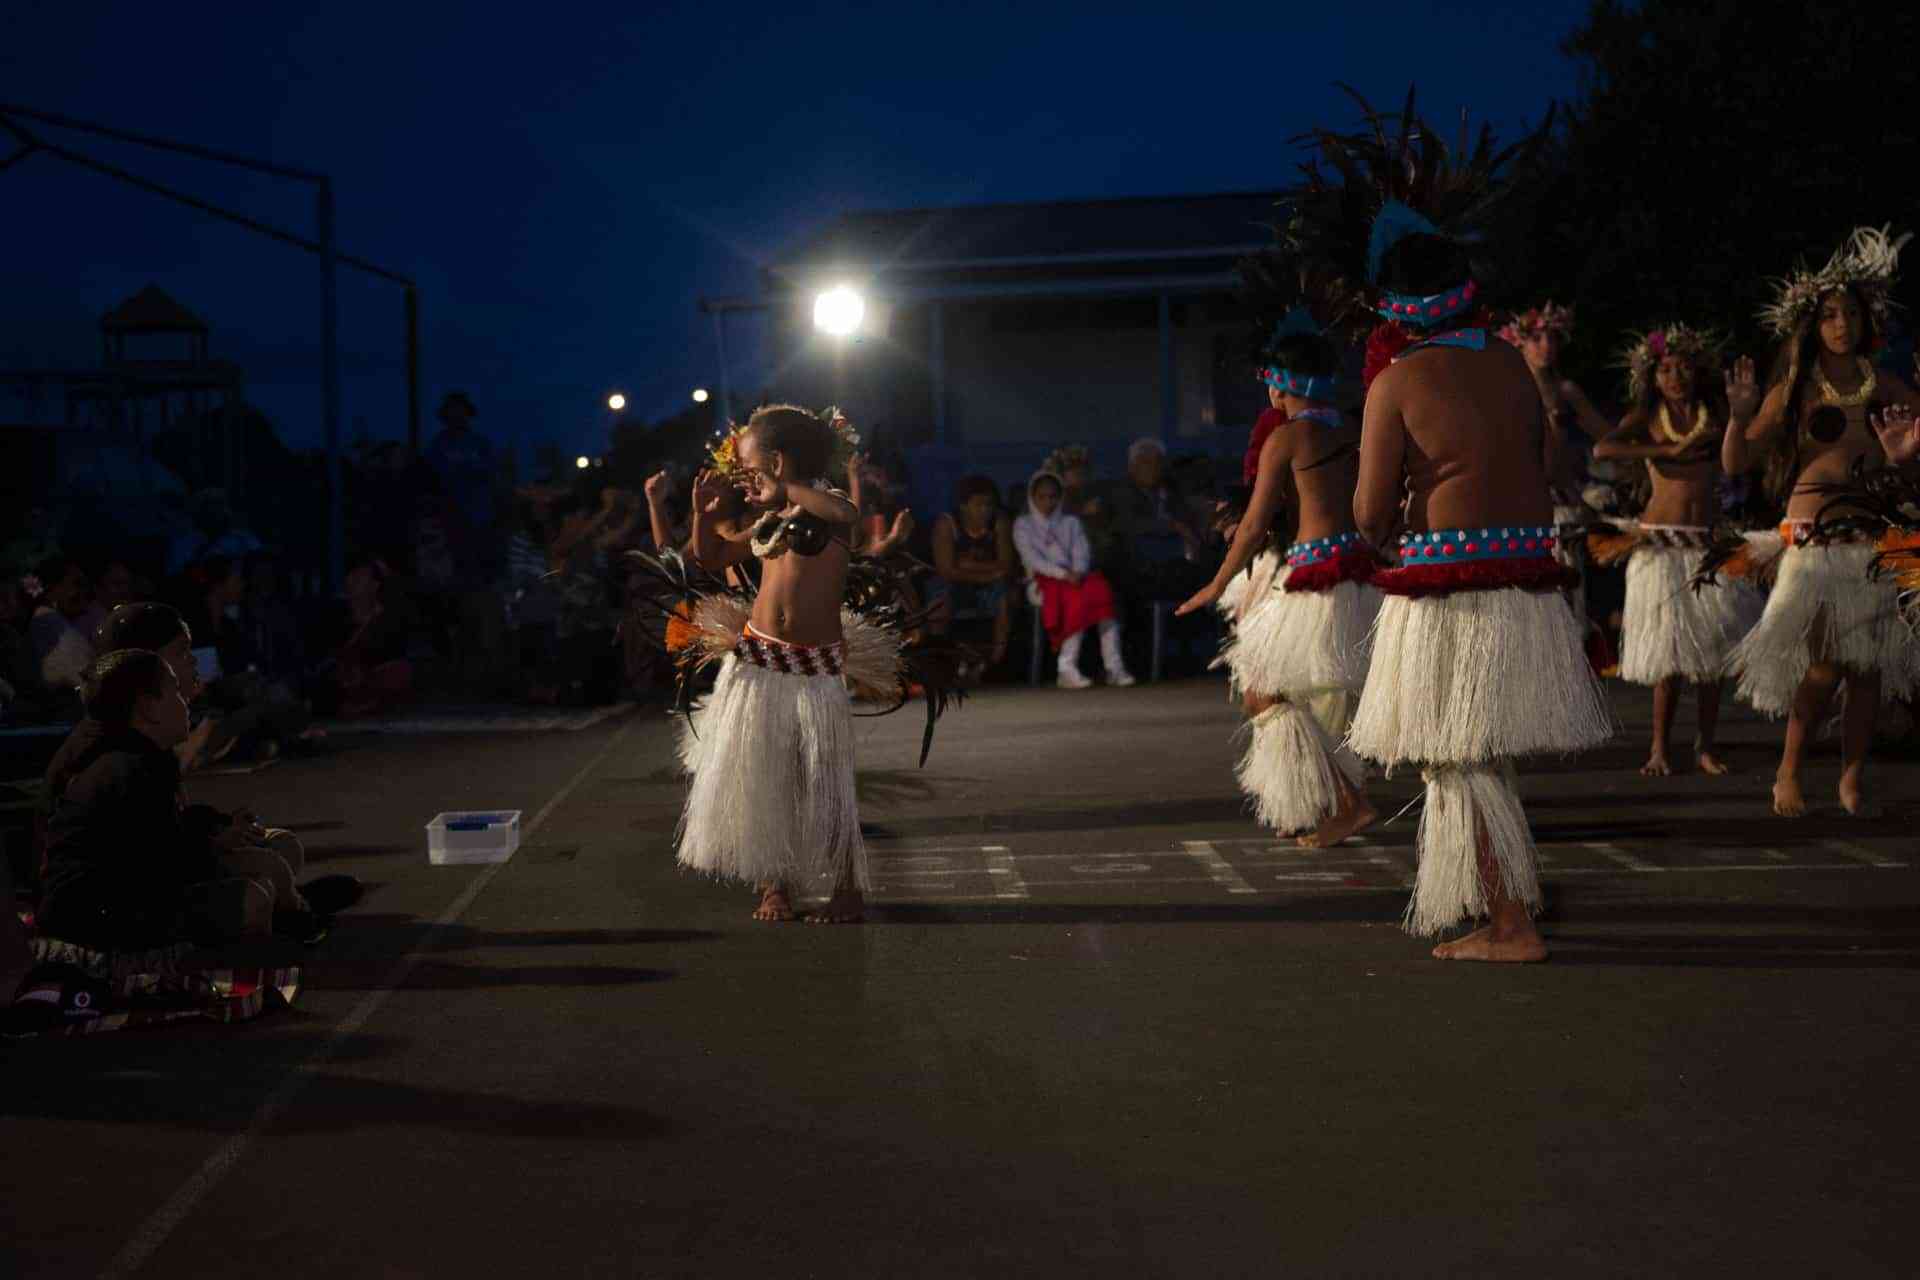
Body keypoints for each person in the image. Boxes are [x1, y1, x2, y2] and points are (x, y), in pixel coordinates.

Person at [1345, 209, 1612, 962]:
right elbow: (1548, 462)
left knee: (1456, 752)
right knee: (1482, 749)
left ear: (1395, 310)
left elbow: (1367, 514)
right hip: (1526, 582)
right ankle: (1494, 904)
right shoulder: (1512, 363)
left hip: (1449, 588)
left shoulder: (1396, 381)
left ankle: (1512, 923)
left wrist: (1398, 517)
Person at [1721, 225, 1920, 817]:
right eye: (1830, 314)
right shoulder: (1796, 389)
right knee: (1826, 664)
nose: (1841, 324)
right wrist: (1737, 417)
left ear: (1866, 319)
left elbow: (1909, 468)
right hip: (1815, 546)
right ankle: (1788, 771)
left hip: (1871, 541)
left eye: (1850, 313)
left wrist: (1903, 459)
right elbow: (1736, 462)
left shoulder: (1887, 385)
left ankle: (1851, 780)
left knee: (1868, 671)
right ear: (1812, 323)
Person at [1177, 316, 1379, 847]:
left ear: (1278, 386)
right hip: (1358, 573)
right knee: (1308, 698)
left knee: (1262, 692)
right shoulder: (1353, 430)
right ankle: (1329, 800)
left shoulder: (1286, 438)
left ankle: (1347, 803)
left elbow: (1251, 528)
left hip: (1313, 579)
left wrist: (1216, 585)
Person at [677, 406, 871, 923]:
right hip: (757, 661)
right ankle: (774, 886)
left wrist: (785, 491)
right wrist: (702, 515)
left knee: (824, 779)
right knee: (764, 777)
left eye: (750, 468)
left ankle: (846, 887)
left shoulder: (828, 510)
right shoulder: (771, 521)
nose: (744, 479)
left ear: (779, 463)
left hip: (813, 669)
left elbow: (846, 514)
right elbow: (712, 558)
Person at [87, 602, 355, 939]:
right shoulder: (121, 747)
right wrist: (214, 842)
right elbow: (142, 854)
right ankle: (289, 910)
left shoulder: (148, 727)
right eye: (182, 652)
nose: (194, 662)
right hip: (129, 897)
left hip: (163, 865)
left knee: (281, 847)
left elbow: (170, 819)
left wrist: (219, 825)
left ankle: (286, 902)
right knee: (260, 881)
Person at [1590, 325, 1761, 776]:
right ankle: (1659, 748)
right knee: (1667, 655)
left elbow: (1741, 458)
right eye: (1666, 369)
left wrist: (1735, 419)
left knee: (1711, 654)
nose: (1675, 377)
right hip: (1659, 547)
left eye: (1684, 368)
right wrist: (1664, 448)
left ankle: (1706, 745)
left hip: (1704, 544)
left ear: (1698, 371)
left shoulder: (1716, 415)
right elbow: (1604, 448)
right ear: (1653, 376)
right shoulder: (1648, 416)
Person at [37, 650, 270, 949]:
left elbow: (166, 833)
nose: (186, 701)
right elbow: (160, 863)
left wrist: (219, 826)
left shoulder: (140, 757)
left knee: (257, 876)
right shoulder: (128, 768)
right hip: (92, 918)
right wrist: (216, 844)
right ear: (147, 708)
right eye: (175, 692)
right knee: (251, 898)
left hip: (114, 900)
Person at [1013, 471, 1134, 689]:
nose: (1048, 502)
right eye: (1042, 497)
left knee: (1103, 595)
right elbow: (1032, 559)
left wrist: (1077, 571)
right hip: (1041, 582)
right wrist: (1063, 575)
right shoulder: (1023, 524)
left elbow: (1081, 551)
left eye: (1052, 497)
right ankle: (1066, 668)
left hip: (1076, 578)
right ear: (1032, 497)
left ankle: (1114, 667)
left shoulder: (1070, 522)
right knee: (1076, 599)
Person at [929, 475, 1015, 669]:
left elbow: (1006, 565)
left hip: (988, 585)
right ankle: (938, 660)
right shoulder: (947, 524)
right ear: (963, 506)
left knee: (1004, 597)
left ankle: (995, 661)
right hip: (953, 584)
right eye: (979, 505)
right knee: (939, 601)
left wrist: (967, 565)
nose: (985, 510)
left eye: (989, 504)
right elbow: (945, 570)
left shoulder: (999, 522)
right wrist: (988, 572)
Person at [28, 554, 93, 694]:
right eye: (77, 584)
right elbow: (83, 681)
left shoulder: (51, 623)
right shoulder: (47, 624)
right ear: (51, 589)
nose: (84, 592)